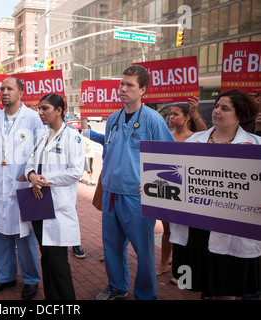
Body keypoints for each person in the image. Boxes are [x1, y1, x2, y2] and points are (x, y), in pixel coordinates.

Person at [170, 89, 261, 300]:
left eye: (225, 108)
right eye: (217, 106)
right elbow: (177, 178)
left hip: (231, 234)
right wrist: (158, 190)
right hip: (192, 234)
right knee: (188, 287)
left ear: (239, 115)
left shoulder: (255, 147)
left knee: (225, 292)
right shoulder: (193, 142)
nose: (217, 111)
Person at [96, 65, 175, 300]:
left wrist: (156, 182)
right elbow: (109, 151)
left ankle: (146, 294)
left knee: (144, 252)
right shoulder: (113, 119)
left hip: (137, 196)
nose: (123, 89)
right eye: (122, 83)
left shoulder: (153, 120)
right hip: (111, 193)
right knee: (111, 247)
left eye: (129, 85)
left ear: (143, 90)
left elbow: (169, 157)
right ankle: (117, 286)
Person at [0, 77, 43, 299]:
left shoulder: (32, 118)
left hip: (23, 187)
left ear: (20, 92)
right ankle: (5, 277)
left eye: (9, 89)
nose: (4, 92)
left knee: (25, 237)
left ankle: (31, 280)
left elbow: (40, 153)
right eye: (1, 89)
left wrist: (30, 177)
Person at [24, 93, 84, 300]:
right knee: (47, 258)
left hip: (57, 206)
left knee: (58, 264)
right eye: (39, 108)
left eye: (45, 108)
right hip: (39, 204)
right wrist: (31, 175)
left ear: (59, 110)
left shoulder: (73, 137)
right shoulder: (42, 136)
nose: (40, 112)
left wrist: (44, 179)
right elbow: (29, 162)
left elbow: (76, 172)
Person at [157, 97, 207, 277]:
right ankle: (164, 263)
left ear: (186, 118)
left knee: (184, 231)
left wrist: (195, 113)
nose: (171, 117)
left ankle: (184, 270)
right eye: (170, 114)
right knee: (168, 229)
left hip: (188, 190)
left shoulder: (195, 137)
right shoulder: (166, 135)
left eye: (176, 114)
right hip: (168, 187)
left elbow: (209, 137)